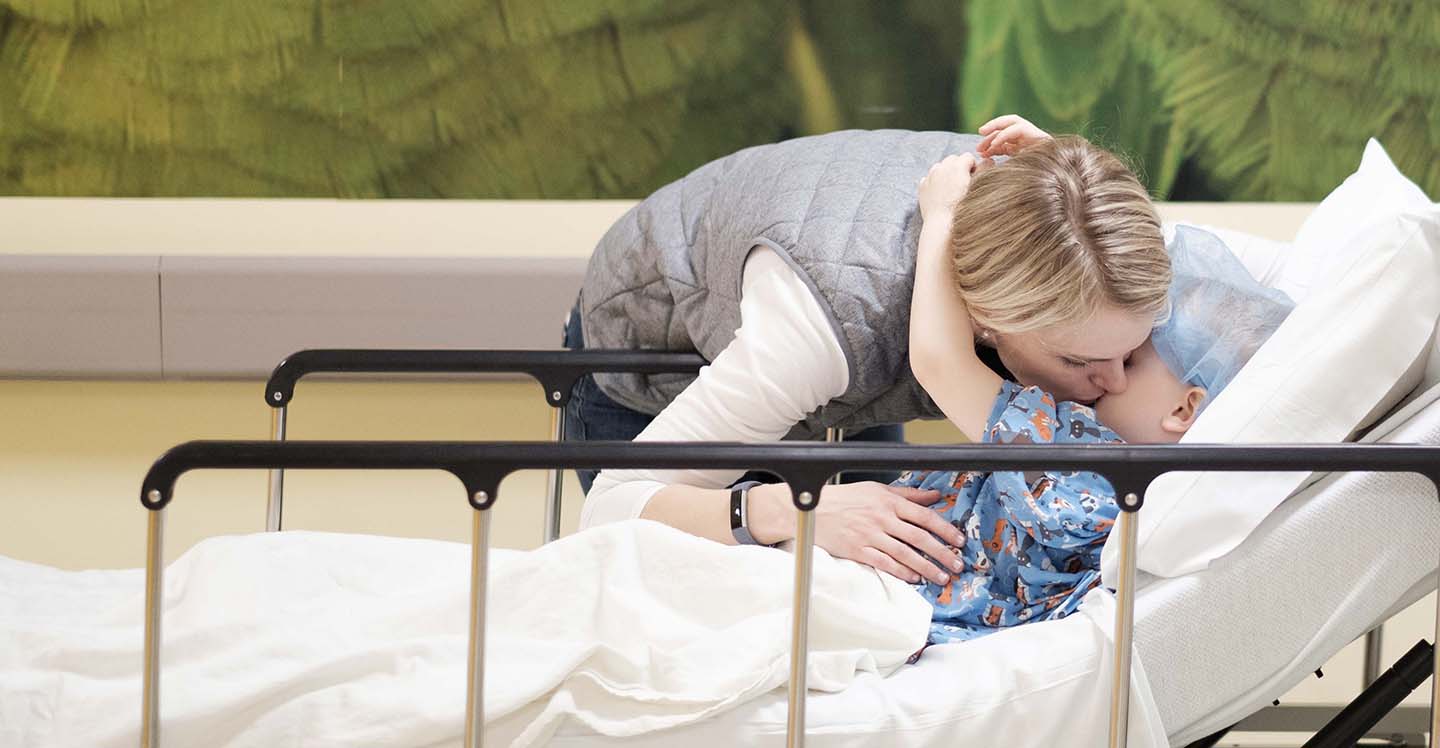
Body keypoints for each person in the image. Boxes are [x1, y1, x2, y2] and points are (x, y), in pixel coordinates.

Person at [565, 115, 1171, 588]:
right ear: (984, 321)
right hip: (659, 360)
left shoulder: (1067, 223)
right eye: (1078, 363)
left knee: (885, 561)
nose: (1116, 383)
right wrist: (793, 511)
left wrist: (1074, 170)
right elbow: (613, 510)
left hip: (833, 350)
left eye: (1132, 352)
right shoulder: (816, 332)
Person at [899, 220, 1295, 642]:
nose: (1109, 378)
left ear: (1184, 408)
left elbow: (940, 362)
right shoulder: (1149, 492)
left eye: (1128, 361)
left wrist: (941, 214)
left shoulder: (1092, 469)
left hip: (901, 586)